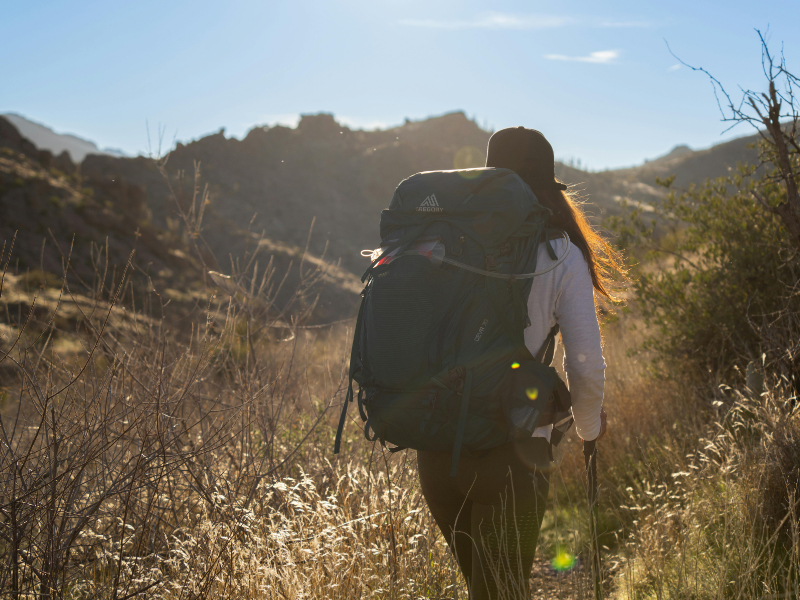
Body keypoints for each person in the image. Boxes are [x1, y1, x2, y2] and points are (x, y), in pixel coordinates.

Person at [416, 127, 622, 599]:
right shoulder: (558, 254)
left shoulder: (438, 244)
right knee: (503, 591)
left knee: (484, 589)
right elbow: (586, 364)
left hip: (436, 451)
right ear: (548, 188)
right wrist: (589, 427)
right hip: (512, 454)